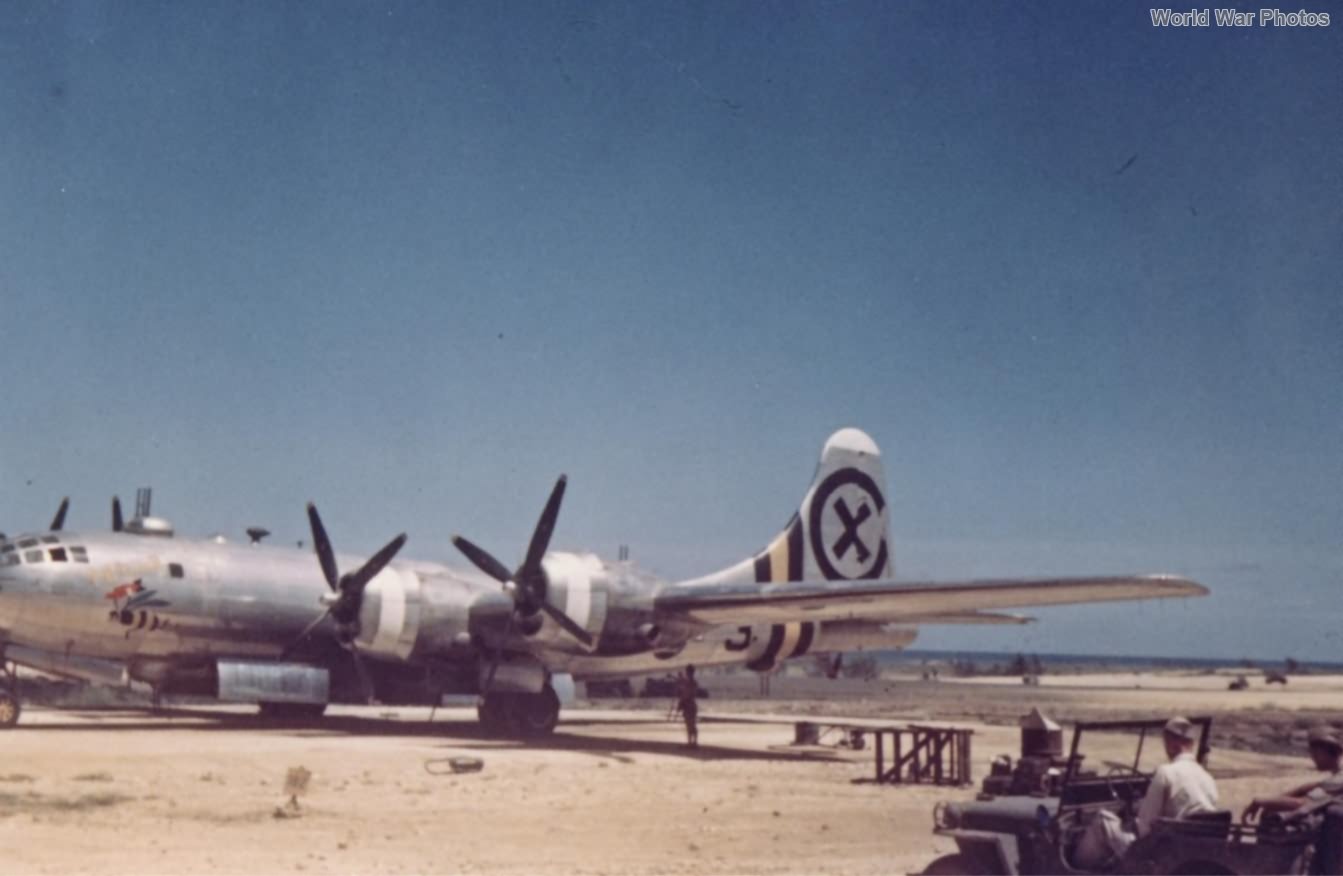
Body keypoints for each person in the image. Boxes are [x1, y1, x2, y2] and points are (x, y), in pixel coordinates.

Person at [1075, 716, 1220, 866]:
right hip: (1188, 850)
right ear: (1192, 744)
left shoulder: (1166, 773)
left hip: (1153, 854)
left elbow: (1143, 827)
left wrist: (1131, 819)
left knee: (1102, 820)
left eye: (1166, 741)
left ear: (1171, 743)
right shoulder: (1208, 778)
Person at [1244, 726, 1343, 819]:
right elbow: (1310, 787)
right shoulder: (1337, 777)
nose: (1313, 758)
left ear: (1332, 752)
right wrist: (1275, 800)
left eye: (1316, 754)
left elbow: (1303, 803)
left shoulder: (1339, 780)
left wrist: (1259, 801)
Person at [675, 665, 699, 748]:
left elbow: (686, 694)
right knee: (692, 724)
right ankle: (693, 742)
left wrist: (681, 703)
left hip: (688, 705)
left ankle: (691, 742)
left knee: (689, 725)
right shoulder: (693, 682)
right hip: (691, 704)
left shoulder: (689, 683)